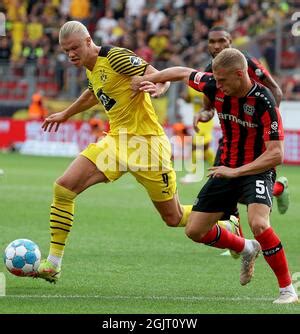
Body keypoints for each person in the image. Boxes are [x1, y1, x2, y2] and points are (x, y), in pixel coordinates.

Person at [34, 21, 239, 284]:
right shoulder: (92, 68)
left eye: (74, 48)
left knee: (173, 217)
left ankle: (225, 225)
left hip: (147, 145)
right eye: (66, 51)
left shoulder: (115, 56)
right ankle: (53, 263)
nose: (71, 54)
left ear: (88, 41)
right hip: (117, 142)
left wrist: (158, 88)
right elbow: (94, 94)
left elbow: (156, 73)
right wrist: (65, 114)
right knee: (63, 188)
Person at [132, 48, 298, 304]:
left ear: (240, 74)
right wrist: (151, 79)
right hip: (226, 169)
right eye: (215, 80)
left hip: (256, 170)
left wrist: (237, 171)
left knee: (259, 223)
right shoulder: (215, 85)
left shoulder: (265, 102)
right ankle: (246, 247)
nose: (216, 85)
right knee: (195, 231)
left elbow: (276, 154)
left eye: (222, 80)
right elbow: (182, 72)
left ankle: (287, 290)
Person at [197, 26, 289, 215]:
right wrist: (204, 115)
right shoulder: (210, 71)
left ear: (230, 41)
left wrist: (269, 125)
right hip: (231, 138)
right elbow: (208, 107)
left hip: (256, 136)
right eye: (212, 42)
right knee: (225, 189)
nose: (216, 46)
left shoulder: (248, 63)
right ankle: (277, 190)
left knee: (247, 190)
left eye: (221, 40)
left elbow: (276, 90)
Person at [179, 87, 215, 184]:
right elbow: (189, 99)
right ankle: (215, 170)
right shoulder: (192, 87)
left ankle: (193, 174)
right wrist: (185, 97)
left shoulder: (208, 86)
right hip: (197, 121)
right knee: (206, 149)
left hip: (206, 120)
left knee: (195, 147)